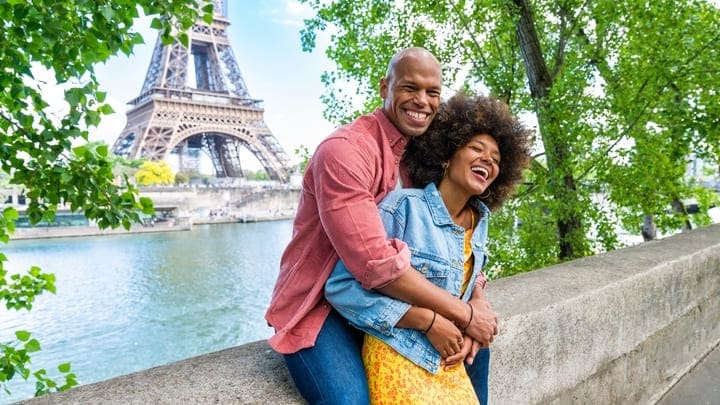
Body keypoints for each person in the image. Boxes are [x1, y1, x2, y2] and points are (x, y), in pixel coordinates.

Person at [265, 47, 498, 404]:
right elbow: (377, 266)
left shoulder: (421, 159)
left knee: (475, 352)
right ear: (384, 87)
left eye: (432, 92)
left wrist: (477, 299)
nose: (422, 101)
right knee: (350, 401)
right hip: (323, 304)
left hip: (385, 298)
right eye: (410, 88)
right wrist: (457, 315)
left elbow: (454, 245)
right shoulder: (345, 151)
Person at [325, 92, 532, 404]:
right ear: (448, 155)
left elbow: (463, 271)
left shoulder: (478, 222)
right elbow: (342, 287)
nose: (488, 159)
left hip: (446, 359)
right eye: (477, 148)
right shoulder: (402, 209)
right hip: (398, 352)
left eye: (497, 159)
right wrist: (429, 320)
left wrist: (476, 306)